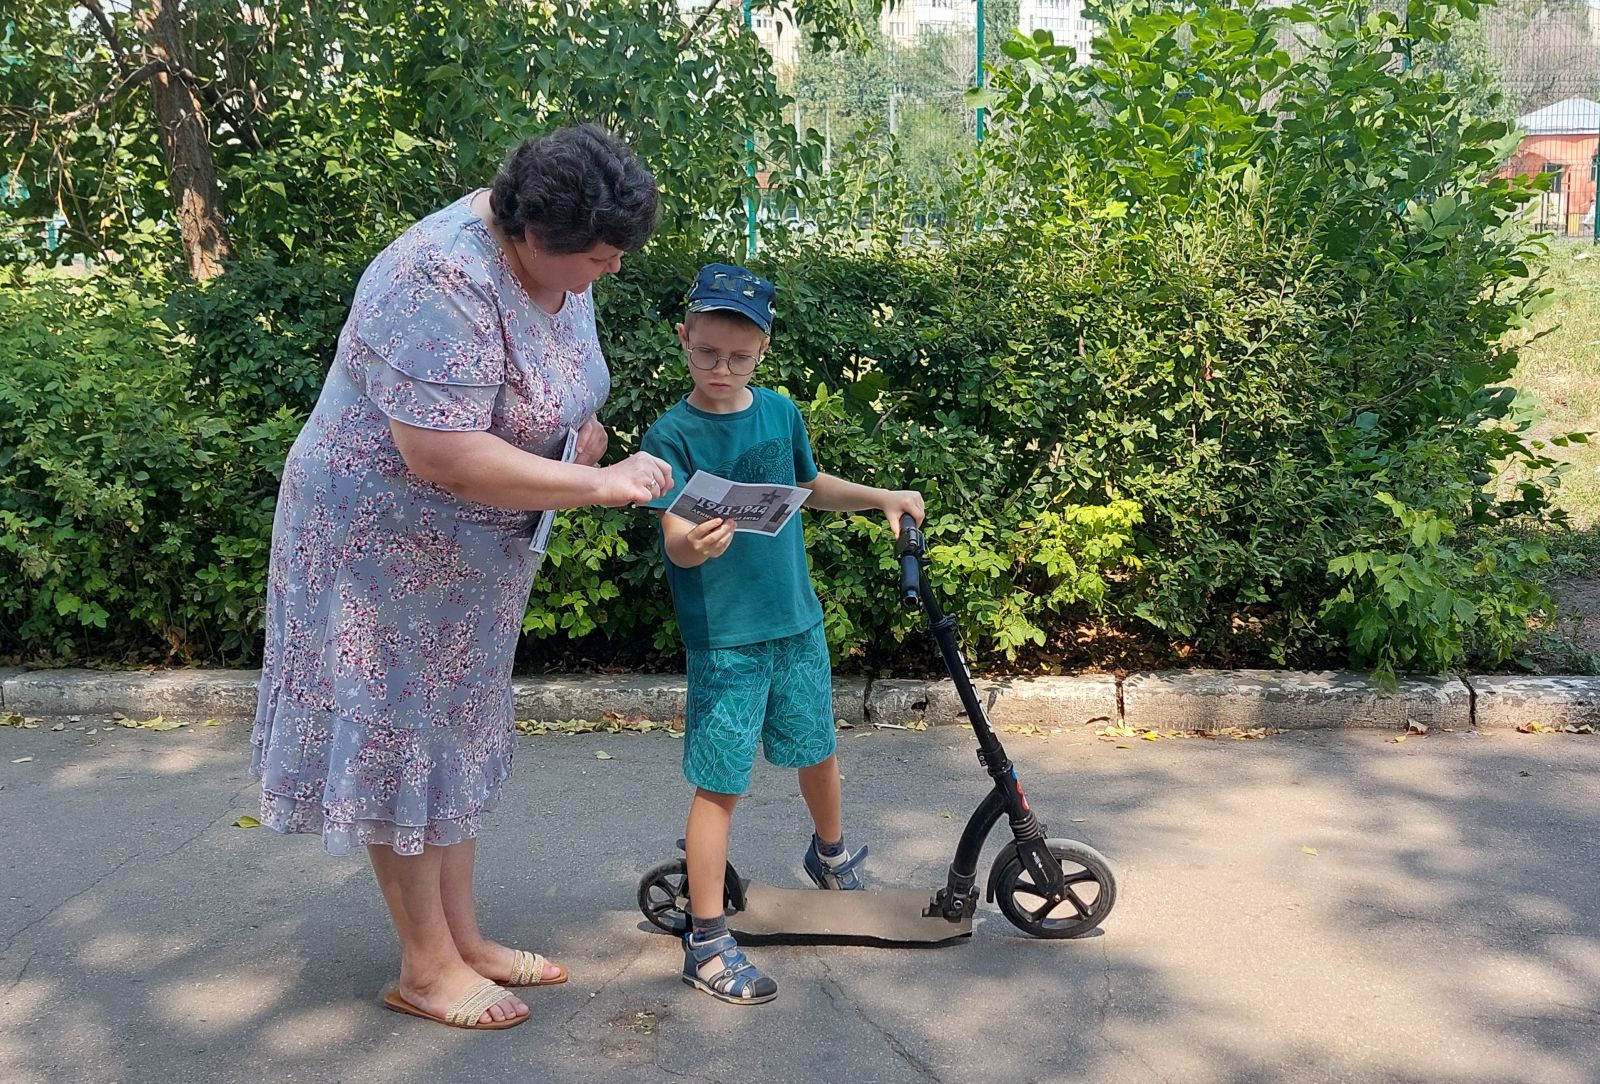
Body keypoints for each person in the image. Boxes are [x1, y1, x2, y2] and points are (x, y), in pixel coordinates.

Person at [250, 123, 674, 1031]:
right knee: (404, 735)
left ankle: (464, 939)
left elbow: (538, 390)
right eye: (599, 258)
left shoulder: (556, 262)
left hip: (473, 550)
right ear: (534, 232)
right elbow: (442, 453)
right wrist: (597, 482)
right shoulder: (437, 275)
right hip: (381, 548)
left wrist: (575, 439)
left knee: (453, 731)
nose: (609, 273)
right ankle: (426, 966)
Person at [640, 263, 925, 1004]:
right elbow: (672, 538)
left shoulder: (779, 413)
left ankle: (830, 856)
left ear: (763, 350)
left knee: (818, 747)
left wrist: (881, 496)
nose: (722, 370)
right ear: (684, 338)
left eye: (740, 357)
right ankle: (706, 939)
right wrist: (693, 543)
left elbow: (809, 487)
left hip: (796, 622)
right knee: (720, 784)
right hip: (727, 639)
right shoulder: (671, 434)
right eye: (708, 353)